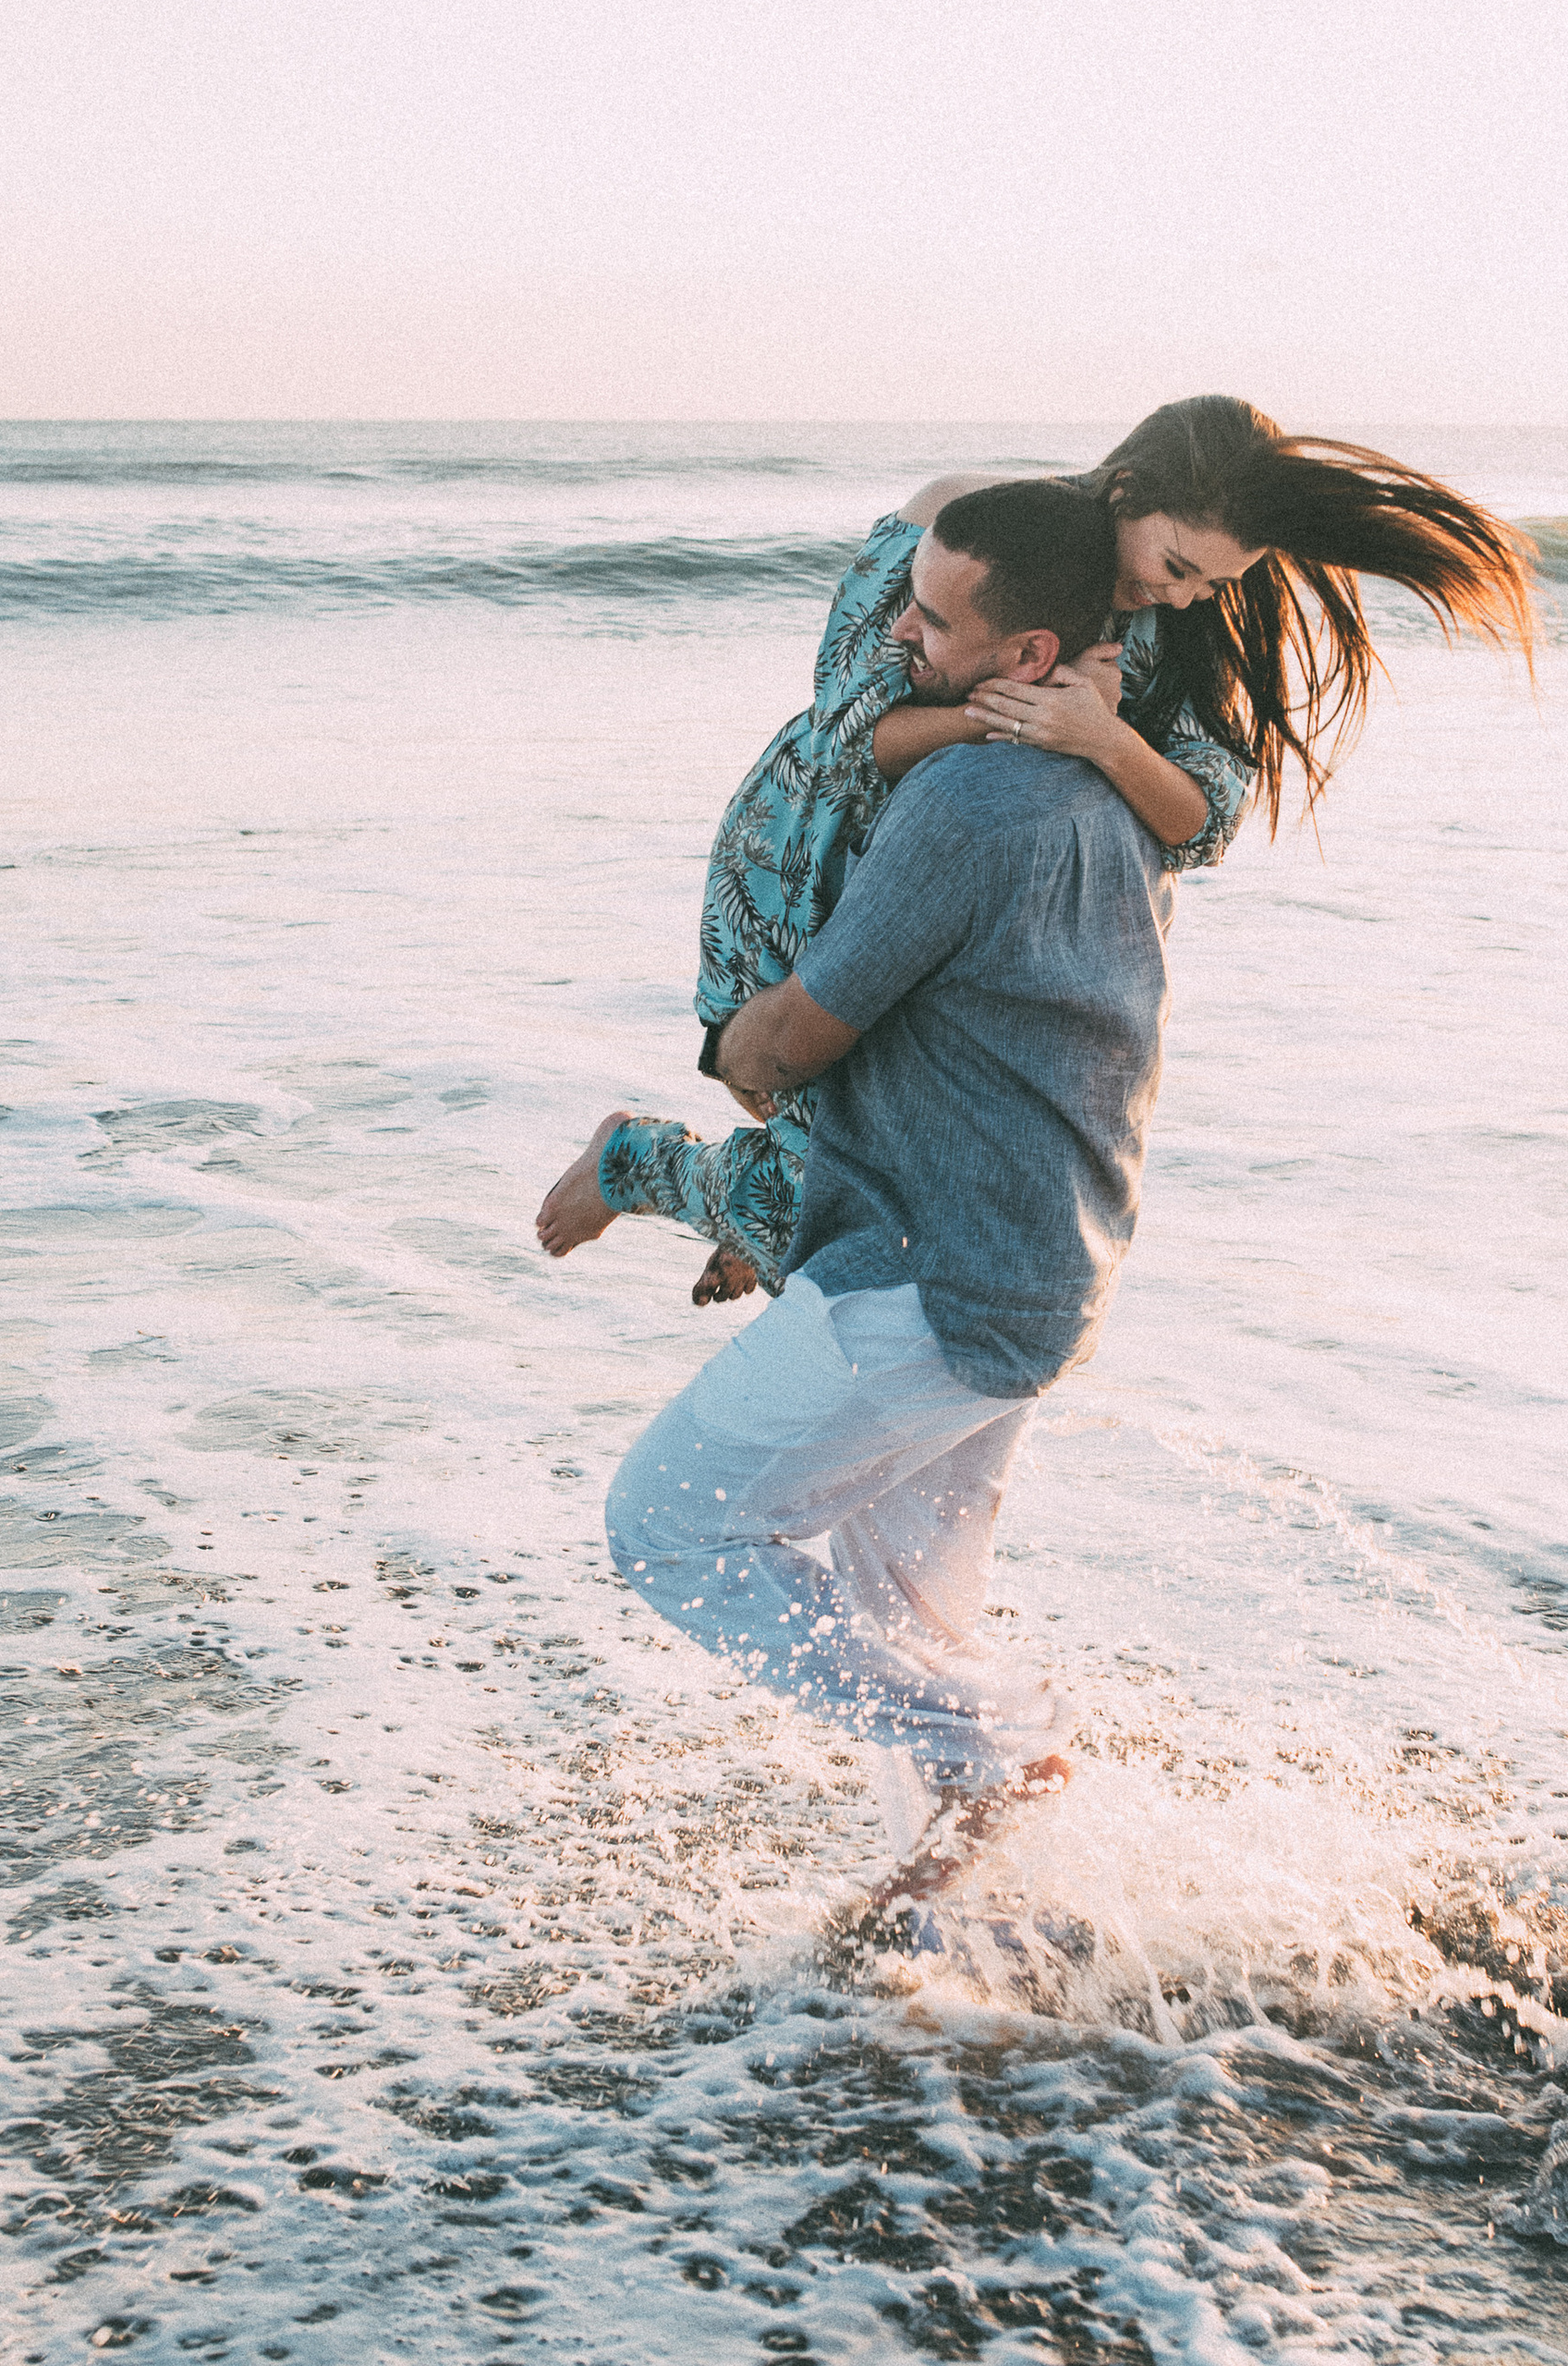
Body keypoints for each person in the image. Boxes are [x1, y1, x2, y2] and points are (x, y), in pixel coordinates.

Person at [536, 393, 1537, 1305]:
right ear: (1128, 490)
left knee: (873, 1190)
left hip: (939, 919)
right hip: (790, 865)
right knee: (777, 1099)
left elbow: (1206, 822)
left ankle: (705, 1194)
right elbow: (843, 736)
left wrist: (1106, 739)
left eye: (1219, 580)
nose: (1189, 597)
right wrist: (1012, 721)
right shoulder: (965, 535)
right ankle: (654, 1170)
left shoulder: (1184, 630)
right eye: (1177, 566)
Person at [601, 479, 1160, 1896]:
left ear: (1028, 657)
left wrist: (729, 1042)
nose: (896, 635)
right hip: (1040, 1268)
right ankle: (952, 1946)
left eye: (931, 616)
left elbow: (797, 1038)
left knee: (668, 1524)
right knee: (906, 1620)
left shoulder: (972, 798)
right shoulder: (1111, 790)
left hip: (925, 1272)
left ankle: (1007, 1750)